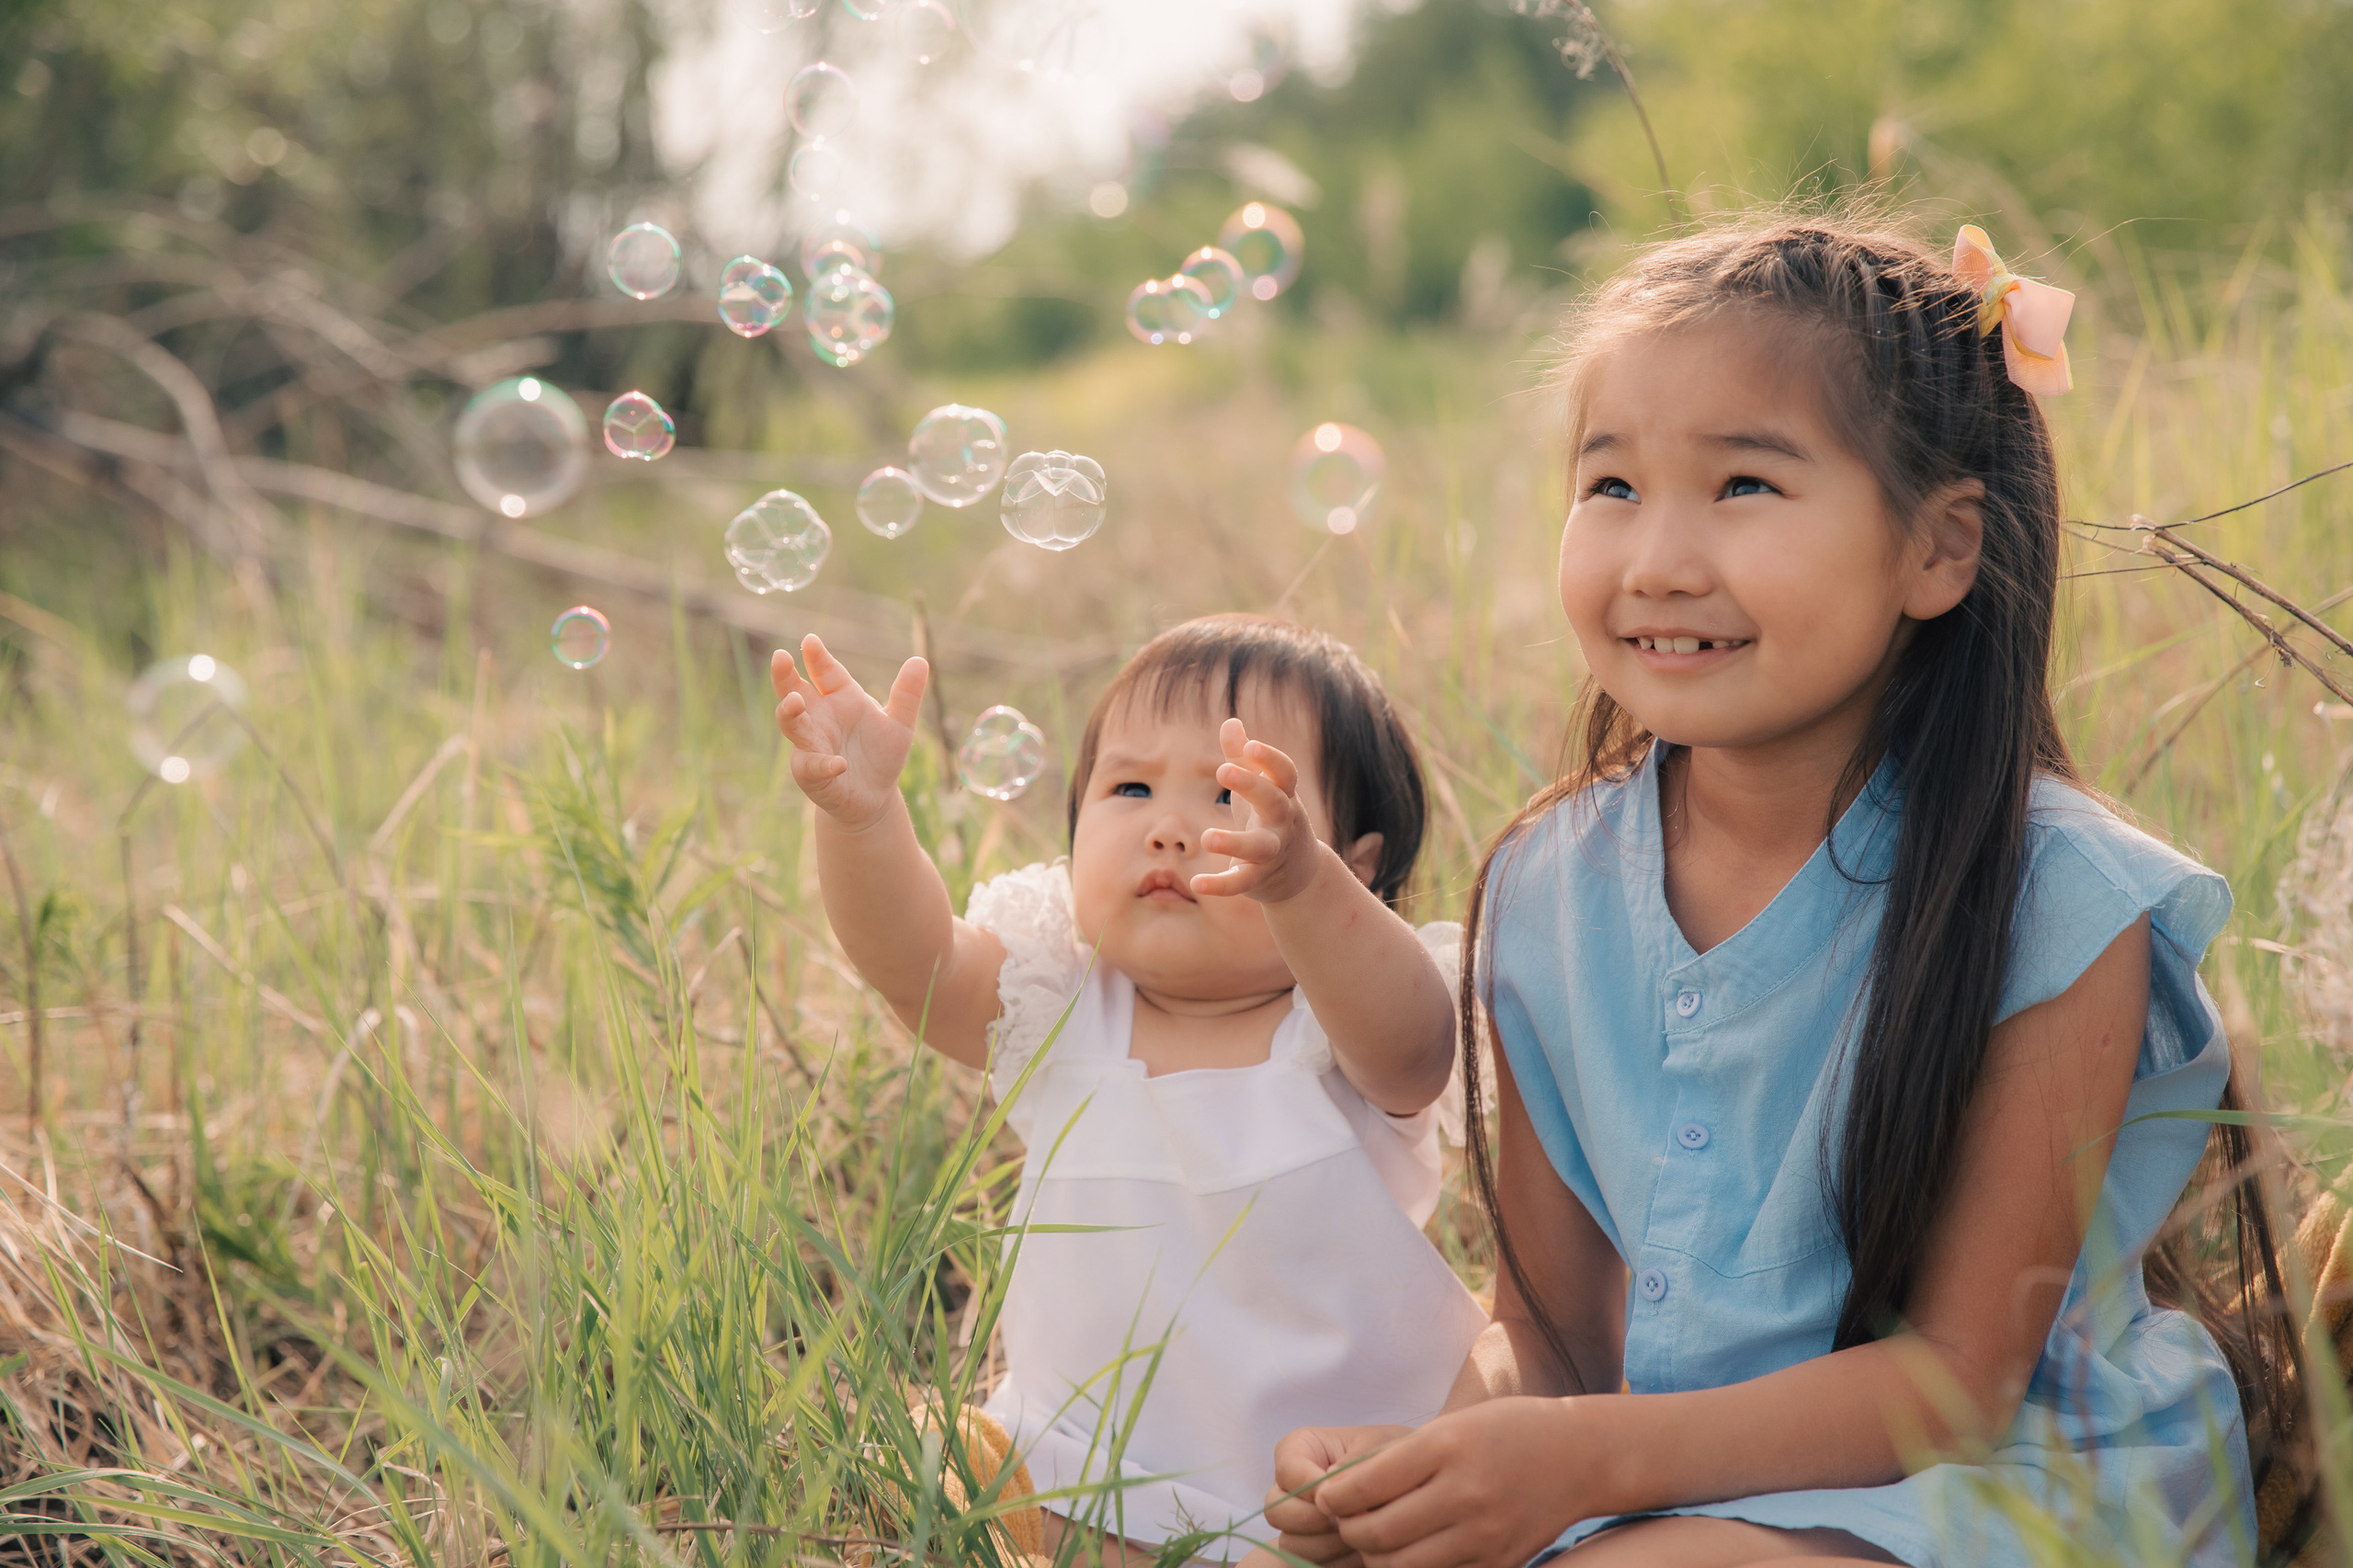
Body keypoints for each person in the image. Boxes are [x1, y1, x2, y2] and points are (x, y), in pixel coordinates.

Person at [1250, 215, 2287, 1568]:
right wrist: (1422, 1470)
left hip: (2009, 1478)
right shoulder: (1549, 887)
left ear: (1939, 549)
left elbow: (1956, 1385)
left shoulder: (2055, 896)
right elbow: (1550, 1337)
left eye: (1742, 484)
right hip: (1670, 1479)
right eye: (1611, 484)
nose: (1658, 559)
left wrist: (1580, 1463)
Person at [772, 613, 1489, 1562]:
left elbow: (1415, 1053)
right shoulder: (1064, 1004)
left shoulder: (1343, 1026)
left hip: (1323, 1488)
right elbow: (917, 965)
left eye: (1231, 794)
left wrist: (1302, 890)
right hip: (1083, 1472)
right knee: (928, 1465)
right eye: (1131, 787)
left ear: (1353, 868)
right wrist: (862, 819)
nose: (1170, 826)